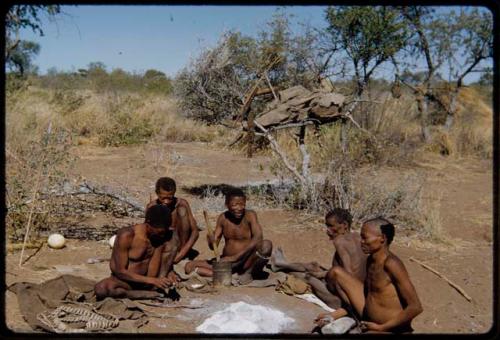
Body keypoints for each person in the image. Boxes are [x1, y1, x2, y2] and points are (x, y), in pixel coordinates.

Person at [314, 217, 423, 333]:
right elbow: (368, 295)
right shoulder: (371, 260)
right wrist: (334, 315)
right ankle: (354, 316)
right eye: (361, 237)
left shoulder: (392, 264)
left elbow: (415, 307)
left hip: (389, 328)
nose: (361, 241)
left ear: (382, 238)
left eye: (365, 238)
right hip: (367, 315)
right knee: (336, 272)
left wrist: (381, 327)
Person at [270, 208, 367, 308]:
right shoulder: (357, 237)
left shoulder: (340, 241)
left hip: (340, 300)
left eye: (331, 226)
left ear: (344, 225)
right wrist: (323, 273)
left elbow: (348, 277)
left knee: (307, 277)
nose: (327, 231)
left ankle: (283, 267)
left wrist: (321, 274)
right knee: (313, 266)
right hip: (356, 291)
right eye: (327, 226)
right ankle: (280, 264)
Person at [185, 187, 273, 284]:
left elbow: (258, 238)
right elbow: (213, 246)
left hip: (247, 261)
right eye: (235, 205)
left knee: (266, 245)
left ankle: (248, 273)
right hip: (227, 262)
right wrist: (210, 240)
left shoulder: (250, 215)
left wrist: (236, 257)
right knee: (189, 266)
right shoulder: (223, 218)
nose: (239, 208)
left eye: (242, 204)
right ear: (227, 205)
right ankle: (226, 274)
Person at [94, 204, 179, 300]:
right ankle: (134, 294)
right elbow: (119, 271)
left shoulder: (165, 236)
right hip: (126, 282)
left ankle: (157, 290)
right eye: (159, 232)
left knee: (173, 238)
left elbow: (166, 256)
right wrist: (152, 280)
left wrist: (169, 272)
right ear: (148, 224)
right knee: (101, 289)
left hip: (153, 284)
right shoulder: (127, 236)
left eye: (164, 232)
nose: (162, 236)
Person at [147, 177, 200, 266]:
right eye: (163, 198)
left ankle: (182, 255)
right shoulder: (152, 207)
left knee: (182, 211)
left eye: (170, 198)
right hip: (162, 245)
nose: (166, 201)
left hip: (180, 244)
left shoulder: (182, 203)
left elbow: (195, 232)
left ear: (174, 193)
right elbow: (146, 230)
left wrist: (182, 253)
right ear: (157, 193)